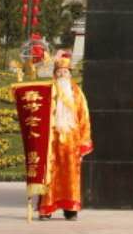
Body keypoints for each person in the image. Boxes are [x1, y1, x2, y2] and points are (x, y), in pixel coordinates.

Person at [38, 51, 92, 220]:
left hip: (71, 142)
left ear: (70, 74)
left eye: (65, 71)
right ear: (55, 74)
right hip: (51, 142)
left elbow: (84, 118)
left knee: (70, 175)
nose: (62, 74)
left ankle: (70, 209)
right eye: (59, 71)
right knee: (50, 175)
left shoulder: (77, 93)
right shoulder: (48, 91)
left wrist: (83, 142)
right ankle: (46, 207)